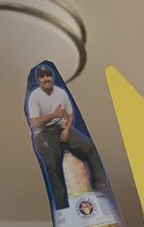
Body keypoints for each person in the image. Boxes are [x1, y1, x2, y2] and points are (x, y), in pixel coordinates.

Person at [26, 65, 106, 209]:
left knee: (88, 145)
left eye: (48, 75)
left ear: (52, 77)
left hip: (61, 128)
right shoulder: (34, 97)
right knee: (52, 164)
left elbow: (70, 114)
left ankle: (100, 183)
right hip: (43, 133)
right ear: (38, 80)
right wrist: (53, 115)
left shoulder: (61, 93)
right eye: (42, 76)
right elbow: (35, 122)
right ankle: (62, 205)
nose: (46, 79)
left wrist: (67, 130)